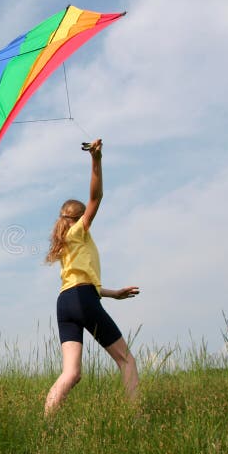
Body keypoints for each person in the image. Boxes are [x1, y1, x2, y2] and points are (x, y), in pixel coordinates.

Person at [43, 139, 140, 415]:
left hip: (66, 303)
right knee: (127, 361)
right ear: (79, 217)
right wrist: (96, 160)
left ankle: (46, 422)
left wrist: (113, 293)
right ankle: (137, 420)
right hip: (82, 298)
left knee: (71, 373)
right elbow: (96, 197)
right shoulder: (78, 232)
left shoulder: (65, 243)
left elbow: (79, 283)